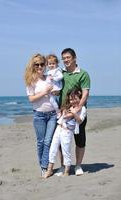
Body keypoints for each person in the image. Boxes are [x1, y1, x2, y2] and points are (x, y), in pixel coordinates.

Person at [57, 48, 90, 176]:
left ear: (74, 58)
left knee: (80, 140)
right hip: (63, 113)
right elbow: (56, 88)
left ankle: (78, 166)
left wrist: (78, 108)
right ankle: (63, 166)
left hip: (78, 113)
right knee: (61, 141)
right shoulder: (61, 73)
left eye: (68, 57)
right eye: (63, 58)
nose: (65, 60)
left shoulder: (83, 74)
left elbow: (85, 93)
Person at [24, 53, 57, 177]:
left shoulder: (49, 77)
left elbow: (56, 91)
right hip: (39, 115)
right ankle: (43, 166)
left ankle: (45, 167)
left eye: (42, 64)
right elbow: (31, 99)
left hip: (53, 114)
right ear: (33, 66)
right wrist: (44, 92)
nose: (39, 67)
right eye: (36, 64)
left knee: (48, 141)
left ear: (45, 65)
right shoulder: (31, 81)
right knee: (41, 142)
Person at [44, 88, 87, 178]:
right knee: (53, 148)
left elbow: (79, 121)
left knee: (66, 151)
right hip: (59, 128)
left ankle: (67, 171)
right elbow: (63, 115)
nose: (72, 101)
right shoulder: (68, 106)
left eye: (75, 99)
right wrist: (66, 112)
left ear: (80, 98)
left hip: (67, 131)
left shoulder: (82, 109)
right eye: (71, 99)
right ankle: (49, 170)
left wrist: (74, 113)